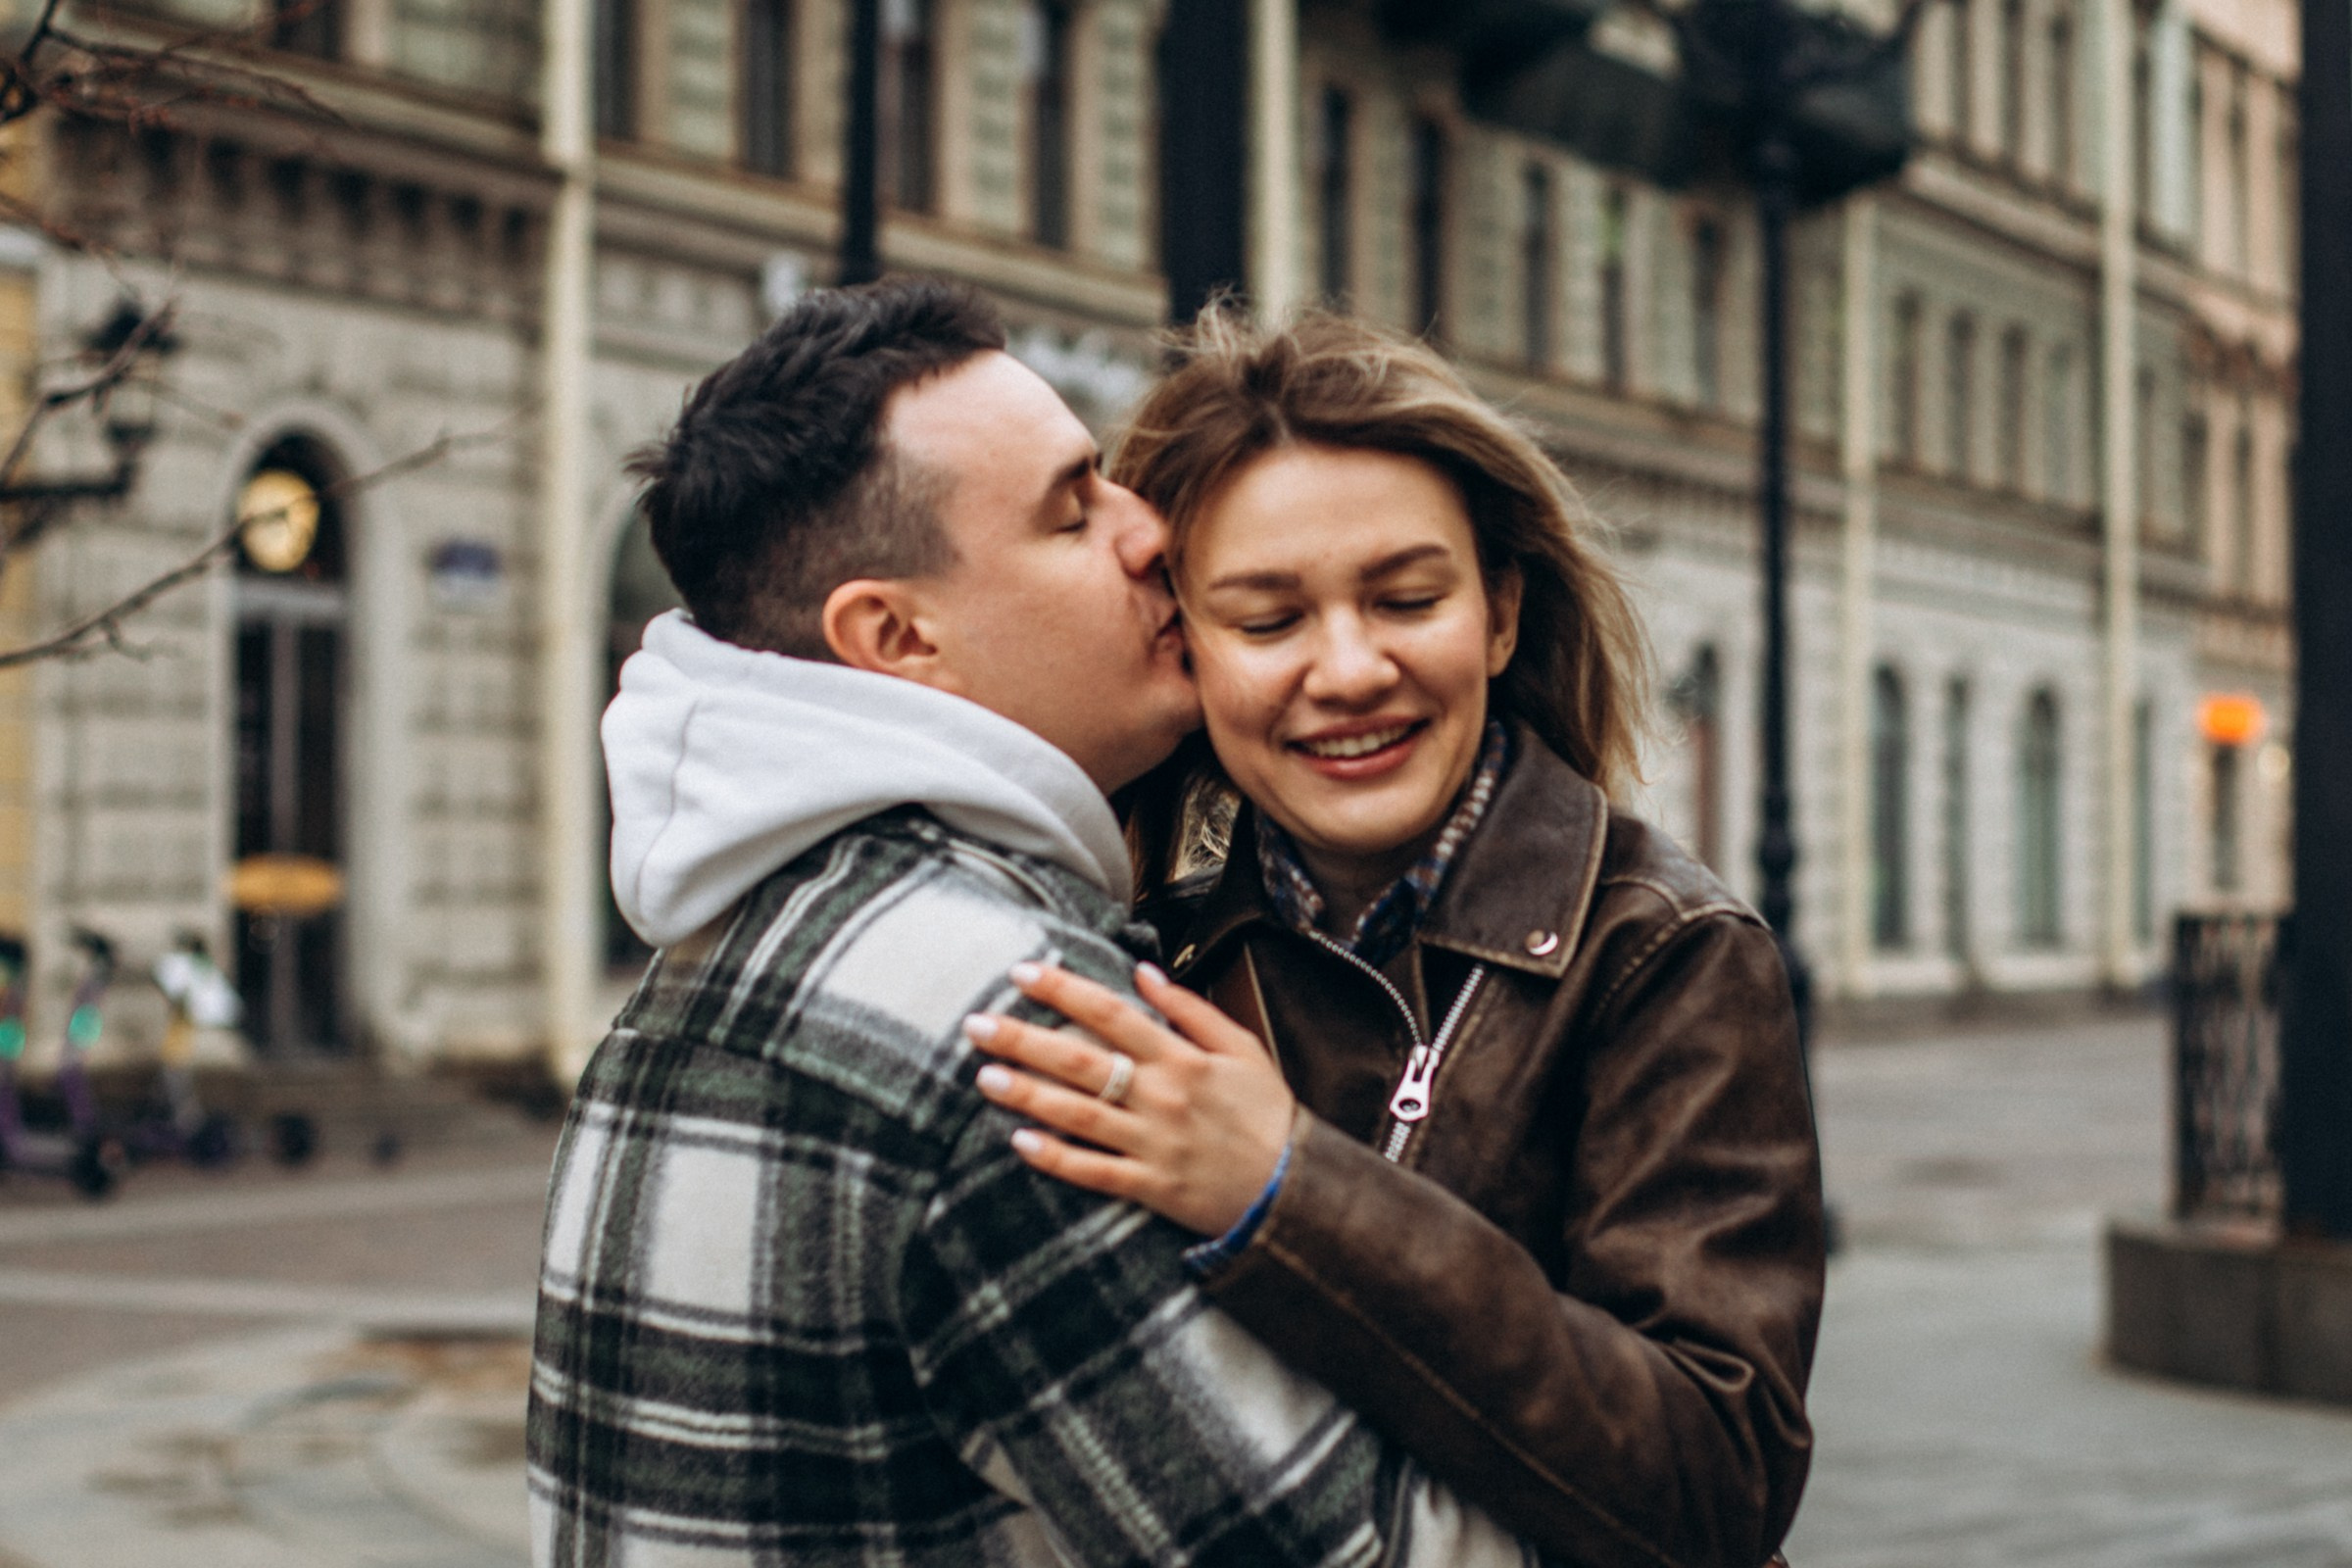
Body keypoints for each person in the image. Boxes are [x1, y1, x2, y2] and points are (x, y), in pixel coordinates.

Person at [527, 278, 1549, 1567]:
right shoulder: (1011, 1017)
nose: (1150, 532)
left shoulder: (718, 958)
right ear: (897, 636)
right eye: (1075, 510)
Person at [963, 308, 1827, 1568]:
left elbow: (1714, 1483)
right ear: (1186, 652)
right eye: (1269, 622)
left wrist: (1288, 1189)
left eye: (1406, 597)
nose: (1352, 668)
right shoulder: (1161, 955)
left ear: (1502, 614)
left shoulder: (1664, 952)